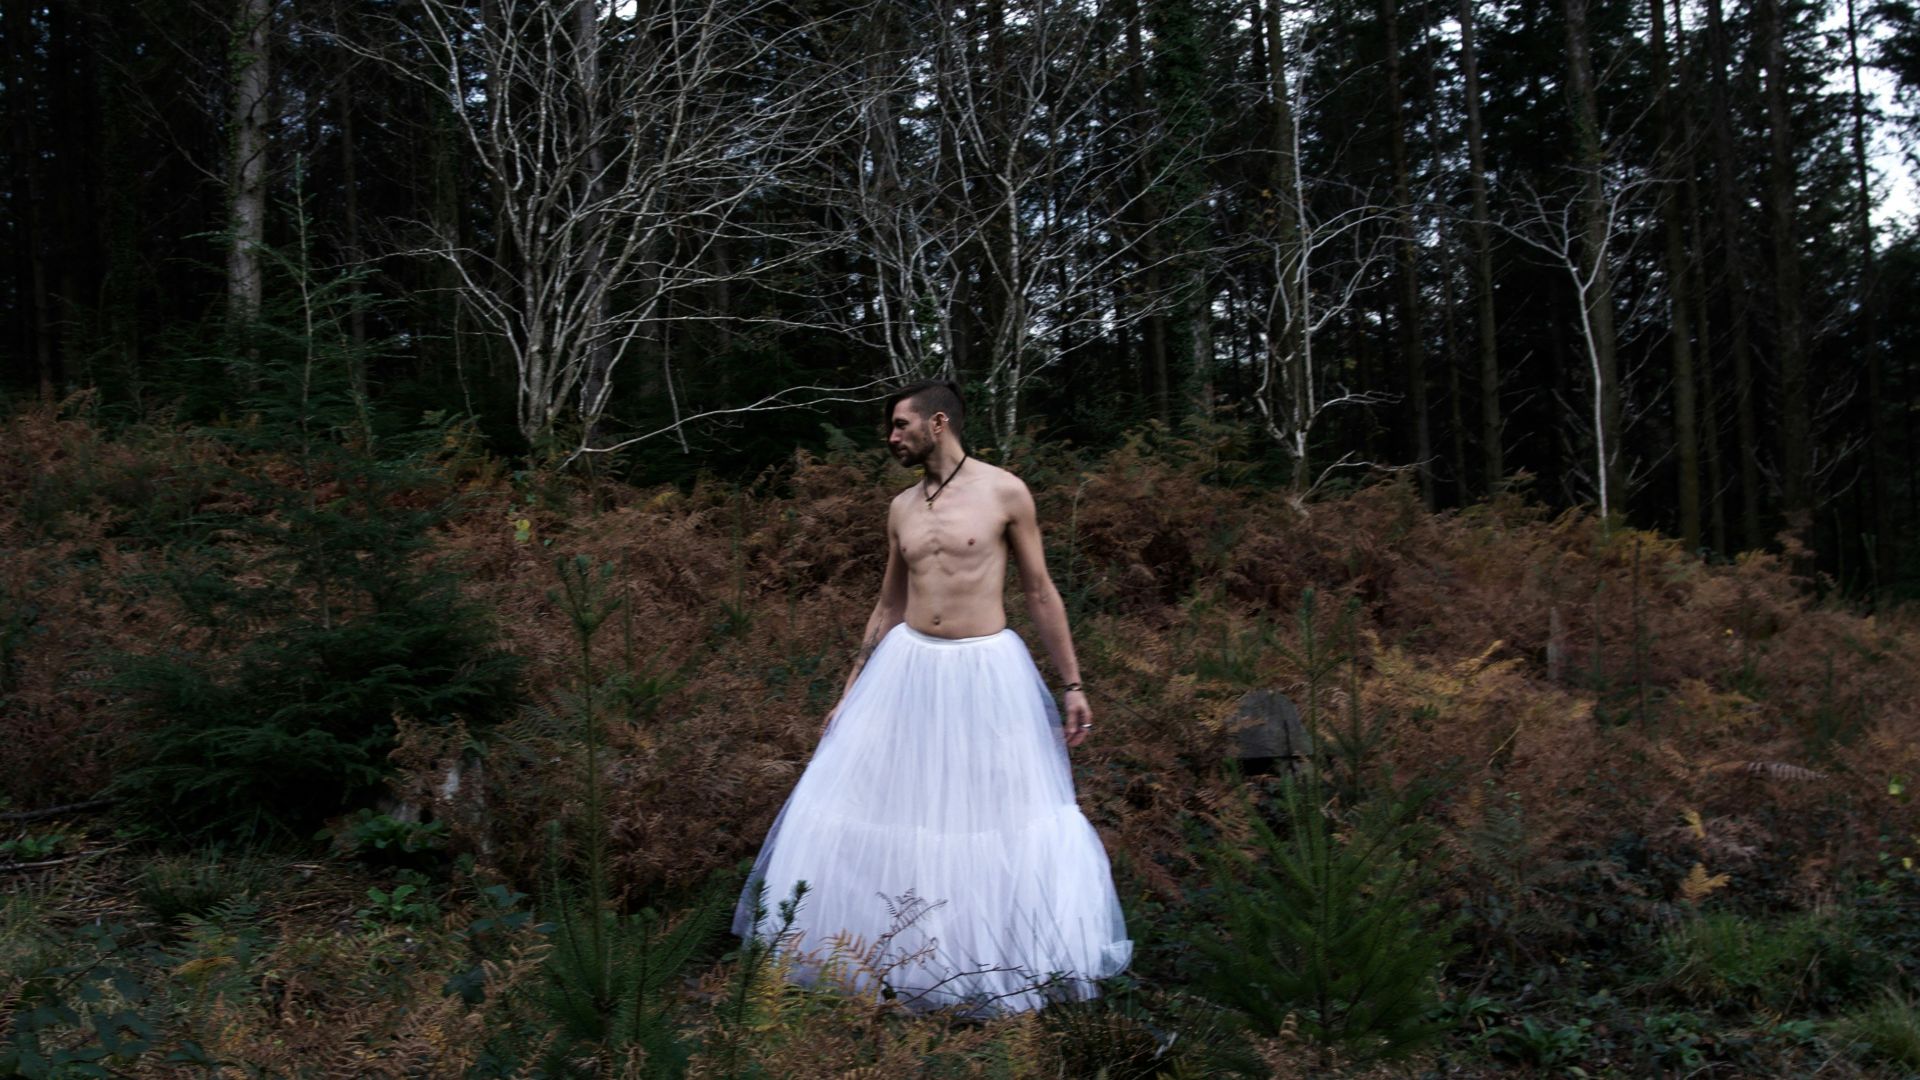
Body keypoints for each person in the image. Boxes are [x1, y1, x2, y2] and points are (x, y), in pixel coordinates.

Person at [732, 379, 1132, 1014]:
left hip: (986, 672)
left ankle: (991, 961)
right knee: (896, 808)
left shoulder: (1005, 492)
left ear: (937, 423)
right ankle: (896, 959)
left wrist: (1073, 683)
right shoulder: (901, 508)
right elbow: (888, 604)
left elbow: (1039, 592)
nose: (891, 438)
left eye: (900, 425)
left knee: (994, 812)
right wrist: (847, 693)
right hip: (908, 670)